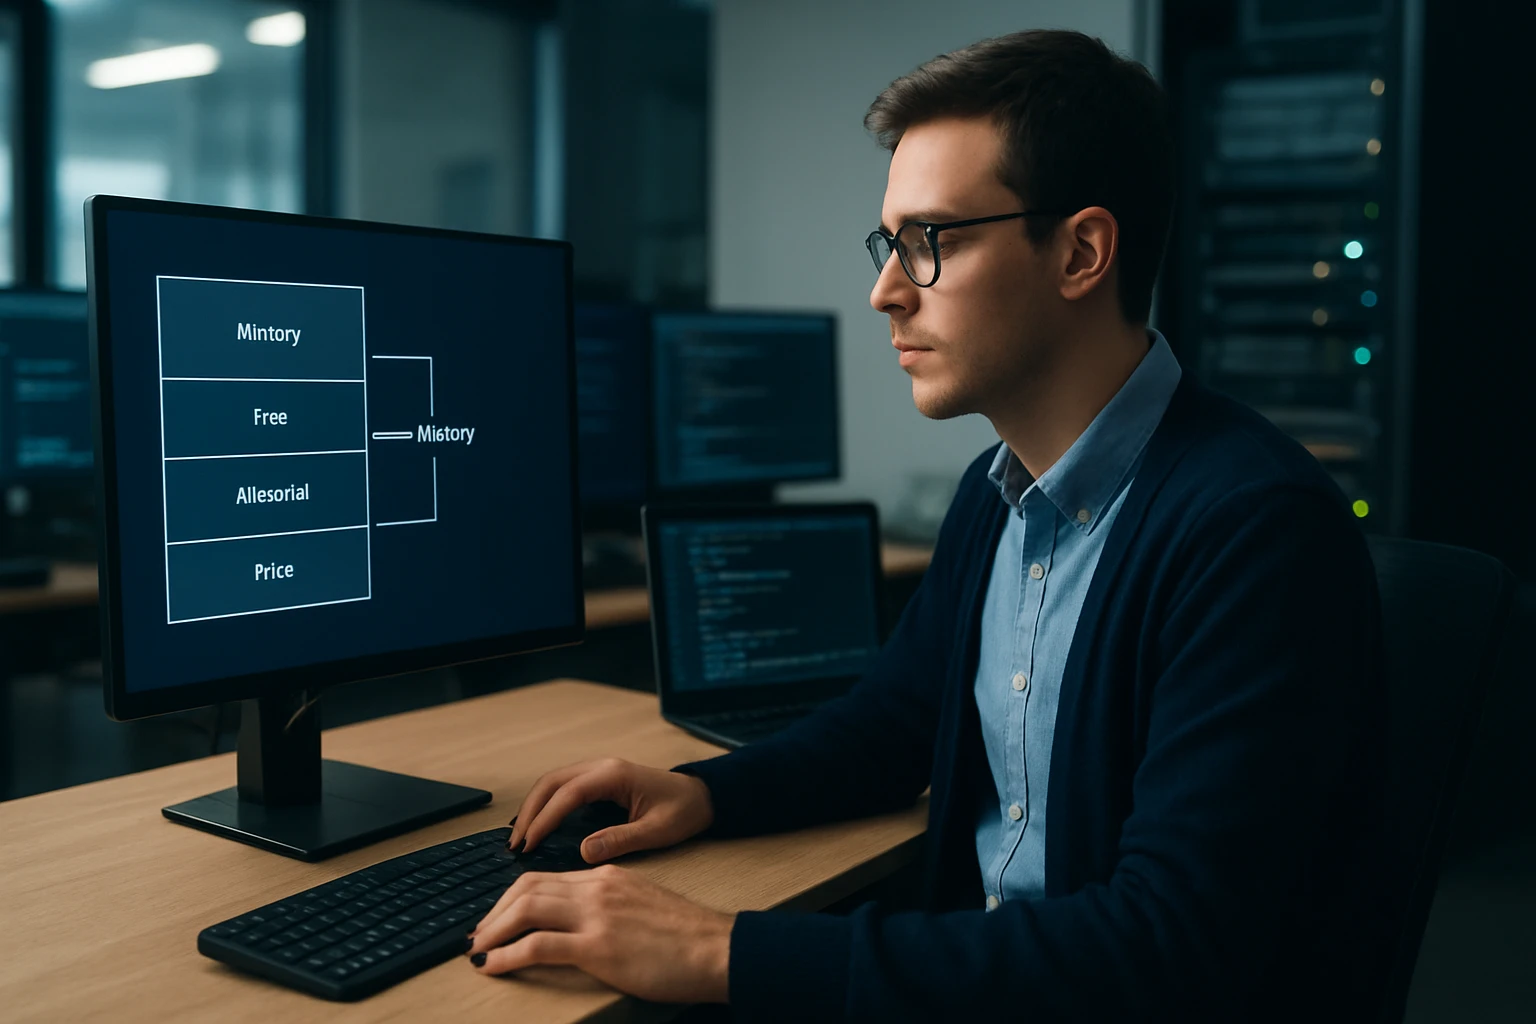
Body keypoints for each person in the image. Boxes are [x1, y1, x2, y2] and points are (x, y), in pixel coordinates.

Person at [466, 28, 1387, 1021]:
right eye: (889, 241)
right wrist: (708, 793)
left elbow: (1166, 950)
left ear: (1080, 252)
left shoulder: (1251, 529)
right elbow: (893, 726)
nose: (885, 289)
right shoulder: (998, 497)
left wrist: (720, 946)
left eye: (930, 242)